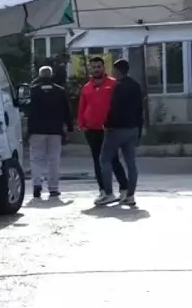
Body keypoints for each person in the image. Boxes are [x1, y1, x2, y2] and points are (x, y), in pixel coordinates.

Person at [78, 57, 128, 205]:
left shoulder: (113, 84)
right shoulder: (86, 87)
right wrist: (82, 123)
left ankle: (124, 189)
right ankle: (104, 192)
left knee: (113, 160)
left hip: (109, 129)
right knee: (97, 161)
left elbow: (120, 105)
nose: (96, 70)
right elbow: (82, 107)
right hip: (91, 129)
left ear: (103, 67)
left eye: (98, 67)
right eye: (93, 67)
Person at [98, 59, 143, 208]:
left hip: (117, 129)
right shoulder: (136, 86)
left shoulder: (118, 87)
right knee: (131, 162)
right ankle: (130, 195)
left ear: (117, 71)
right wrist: (139, 130)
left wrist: (108, 124)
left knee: (105, 159)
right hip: (133, 128)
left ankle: (109, 193)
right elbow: (140, 110)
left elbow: (114, 108)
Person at [26, 65, 72, 202]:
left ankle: (37, 184)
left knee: (36, 158)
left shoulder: (32, 90)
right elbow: (66, 111)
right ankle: (53, 188)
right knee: (54, 159)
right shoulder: (60, 91)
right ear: (51, 75)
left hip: (36, 130)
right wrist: (69, 127)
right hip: (55, 130)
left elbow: (25, 108)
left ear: (39, 75)